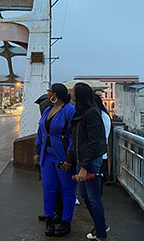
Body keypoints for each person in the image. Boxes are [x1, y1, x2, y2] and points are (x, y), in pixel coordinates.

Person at [33, 83, 77, 237]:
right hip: (47, 155)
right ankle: (50, 220)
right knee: (48, 189)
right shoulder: (47, 110)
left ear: (56, 94)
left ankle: (66, 222)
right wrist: (37, 152)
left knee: (67, 190)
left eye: (49, 91)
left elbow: (73, 136)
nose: (48, 92)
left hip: (63, 156)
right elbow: (40, 131)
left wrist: (69, 158)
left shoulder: (69, 111)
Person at [70, 83, 108, 241]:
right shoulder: (81, 112)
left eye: (73, 92)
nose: (71, 94)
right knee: (85, 194)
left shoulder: (92, 113)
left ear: (79, 95)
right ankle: (100, 225)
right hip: (82, 158)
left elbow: (94, 142)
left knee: (93, 197)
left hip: (90, 160)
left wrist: (85, 167)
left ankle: (101, 233)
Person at [93, 94, 112, 190]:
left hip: (99, 150)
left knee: (97, 176)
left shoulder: (103, 116)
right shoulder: (101, 115)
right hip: (98, 150)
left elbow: (104, 134)